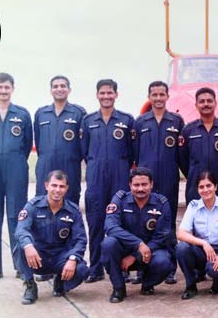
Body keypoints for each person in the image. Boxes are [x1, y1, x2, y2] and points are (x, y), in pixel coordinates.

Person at [0, 72, 32, 282]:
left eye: (7, 87)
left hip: (16, 167)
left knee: (16, 217)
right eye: (0, 87)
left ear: (12, 89)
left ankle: (20, 265)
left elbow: (27, 143)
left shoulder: (23, 114)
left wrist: (15, 159)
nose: (3, 91)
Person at [80, 78, 134, 283]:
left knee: (123, 222)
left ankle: (123, 267)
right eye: (102, 93)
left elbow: (132, 152)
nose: (106, 96)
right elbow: (84, 151)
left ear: (116, 95)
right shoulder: (88, 121)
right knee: (95, 222)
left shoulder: (126, 120)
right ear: (97, 95)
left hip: (119, 176)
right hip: (95, 178)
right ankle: (95, 268)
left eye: (110, 93)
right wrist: (97, 166)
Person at [131, 81, 183, 284]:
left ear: (168, 96)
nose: (158, 98)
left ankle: (169, 267)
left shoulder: (177, 121)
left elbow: (182, 153)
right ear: (149, 97)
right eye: (155, 94)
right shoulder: (140, 122)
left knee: (168, 224)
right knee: (142, 223)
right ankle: (142, 268)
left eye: (162, 94)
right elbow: (135, 152)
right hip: (146, 181)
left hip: (169, 178)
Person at [101, 167, 173, 303]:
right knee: (108, 244)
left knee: (164, 262)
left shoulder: (162, 203)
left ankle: (147, 284)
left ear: (151, 184)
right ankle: (119, 288)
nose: (140, 189)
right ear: (130, 185)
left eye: (144, 184)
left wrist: (135, 256)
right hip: (124, 250)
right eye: (136, 185)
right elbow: (110, 227)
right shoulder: (120, 200)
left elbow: (162, 236)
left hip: (150, 251)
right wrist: (138, 244)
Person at [15, 170, 87, 305]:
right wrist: (29, 246)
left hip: (60, 257)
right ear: (46, 185)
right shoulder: (33, 206)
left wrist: (72, 259)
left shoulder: (73, 211)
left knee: (82, 269)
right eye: (54, 185)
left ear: (66, 188)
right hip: (38, 258)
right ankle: (30, 285)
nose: (57, 190)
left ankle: (61, 280)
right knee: (21, 246)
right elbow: (21, 229)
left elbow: (81, 239)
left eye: (61, 186)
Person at [176, 171, 218, 299]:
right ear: (197, 189)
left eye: (209, 186)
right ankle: (190, 286)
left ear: (215, 186)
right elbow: (181, 233)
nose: (205, 190)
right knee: (182, 248)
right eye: (201, 187)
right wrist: (203, 243)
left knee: (215, 270)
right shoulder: (193, 206)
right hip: (202, 250)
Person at [179, 87, 218, 206]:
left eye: (209, 101)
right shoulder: (188, 130)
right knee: (196, 221)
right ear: (196, 105)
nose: (206, 104)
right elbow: (182, 160)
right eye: (202, 101)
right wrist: (195, 172)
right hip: (196, 186)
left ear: (215, 103)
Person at [33, 75, 86, 205]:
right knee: (43, 201)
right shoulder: (41, 113)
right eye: (55, 86)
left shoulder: (79, 112)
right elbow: (38, 140)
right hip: (46, 164)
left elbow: (83, 142)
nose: (59, 89)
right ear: (51, 90)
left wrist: (73, 158)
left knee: (70, 200)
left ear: (69, 90)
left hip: (70, 165)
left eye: (63, 86)